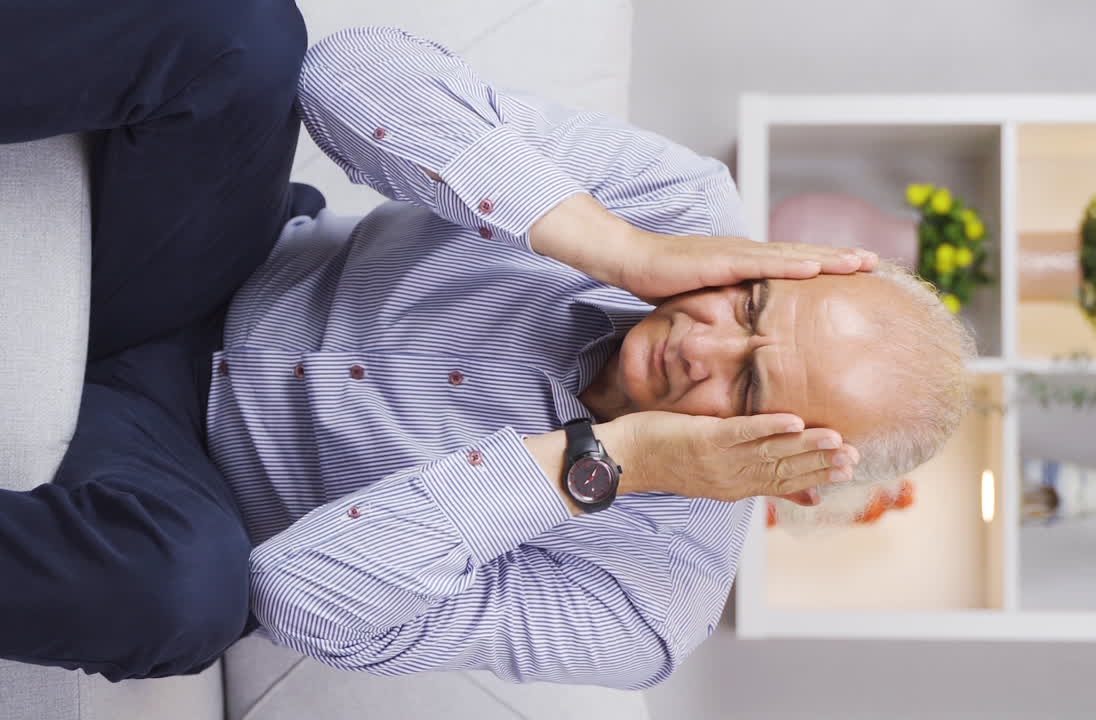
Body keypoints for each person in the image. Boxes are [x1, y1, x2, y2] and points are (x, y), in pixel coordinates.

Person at [0, 2, 972, 691]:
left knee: (185, 597)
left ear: (795, 477)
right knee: (243, 33)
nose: (700, 339)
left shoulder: (644, 607)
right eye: (749, 301)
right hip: (210, 265)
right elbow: (346, 72)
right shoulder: (682, 210)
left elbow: (295, 601)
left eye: (748, 380)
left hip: (185, 487)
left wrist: (606, 463)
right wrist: (620, 247)